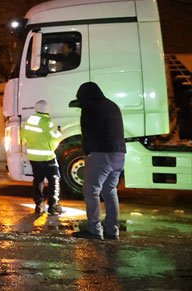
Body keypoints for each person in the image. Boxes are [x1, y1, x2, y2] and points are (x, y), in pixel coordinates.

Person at [74, 82, 125, 240]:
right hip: (119, 153)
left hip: (101, 154)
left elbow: (87, 132)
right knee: (110, 191)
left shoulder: (89, 108)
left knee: (91, 191)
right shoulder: (112, 105)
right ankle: (112, 230)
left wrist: (87, 153)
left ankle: (94, 230)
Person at [22, 99, 63, 215]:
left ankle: (39, 204)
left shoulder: (29, 121)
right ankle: (53, 205)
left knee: (38, 179)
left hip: (33, 157)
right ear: (47, 109)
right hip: (47, 156)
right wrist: (59, 132)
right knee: (54, 178)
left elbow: (23, 138)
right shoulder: (47, 122)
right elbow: (53, 137)